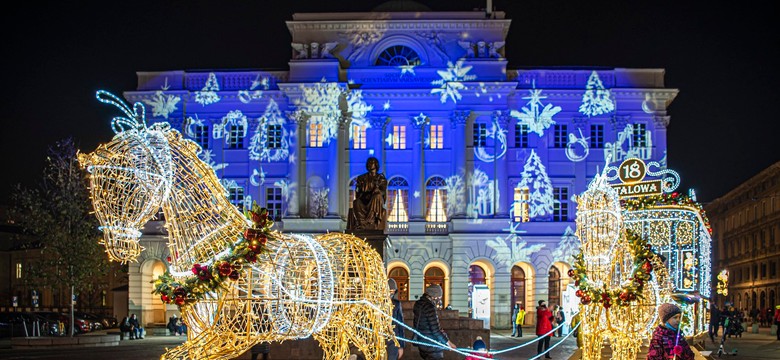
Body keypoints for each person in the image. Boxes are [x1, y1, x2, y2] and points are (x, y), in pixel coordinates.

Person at [413, 285, 455, 360]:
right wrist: (448, 343)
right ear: (433, 296)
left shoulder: (419, 304)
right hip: (432, 346)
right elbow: (435, 330)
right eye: (439, 297)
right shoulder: (429, 307)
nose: (439, 300)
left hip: (422, 343)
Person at [348, 157, 387, 230]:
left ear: (376, 165)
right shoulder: (362, 177)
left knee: (377, 196)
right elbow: (358, 192)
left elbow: (383, 192)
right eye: (368, 163)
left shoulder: (381, 178)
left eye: (371, 162)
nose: (370, 164)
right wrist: (361, 189)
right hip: (364, 199)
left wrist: (378, 190)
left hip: (375, 201)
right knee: (356, 202)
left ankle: (371, 221)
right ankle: (361, 223)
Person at [387, 278, 405, 360]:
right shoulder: (377, 304)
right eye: (390, 291)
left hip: (393, 341)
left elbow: (400, 325)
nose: (391, 293)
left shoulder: (396, 304)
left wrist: (401, 345)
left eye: (393, 291)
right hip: (379, 339)